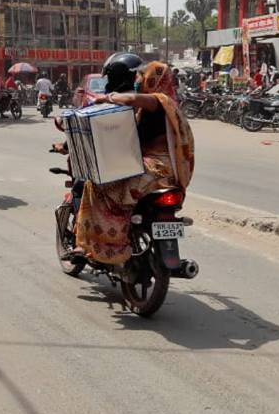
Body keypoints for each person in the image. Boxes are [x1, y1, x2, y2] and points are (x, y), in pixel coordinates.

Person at [72, 57, 195, 265]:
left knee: (97, 184)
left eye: (141, 76)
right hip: (165, 172)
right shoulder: (168, 104)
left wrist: (107, 97)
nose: (137, 80)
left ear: (153, 80)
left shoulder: (158, 100)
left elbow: (130, 99)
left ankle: (103, 246)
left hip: (156, 170)